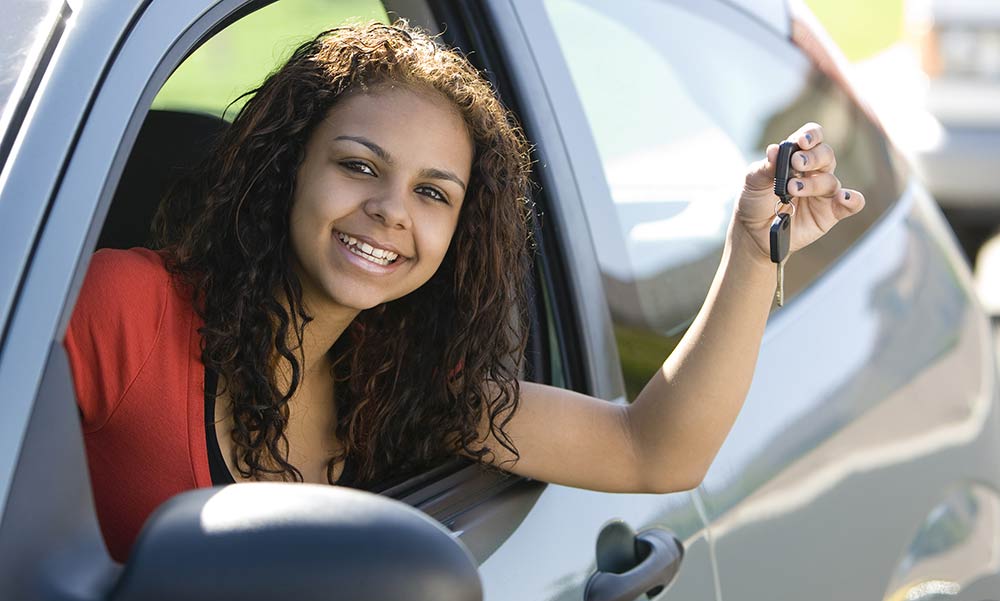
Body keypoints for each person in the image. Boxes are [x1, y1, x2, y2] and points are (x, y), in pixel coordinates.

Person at [64, 20, 865, 563]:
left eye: (433, 194)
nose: (388, 213)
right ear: (288, 170)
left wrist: (754, 253)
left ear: (457, 237)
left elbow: (654, 450)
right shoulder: (126, 307)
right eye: (359, 166)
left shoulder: (403, 383)